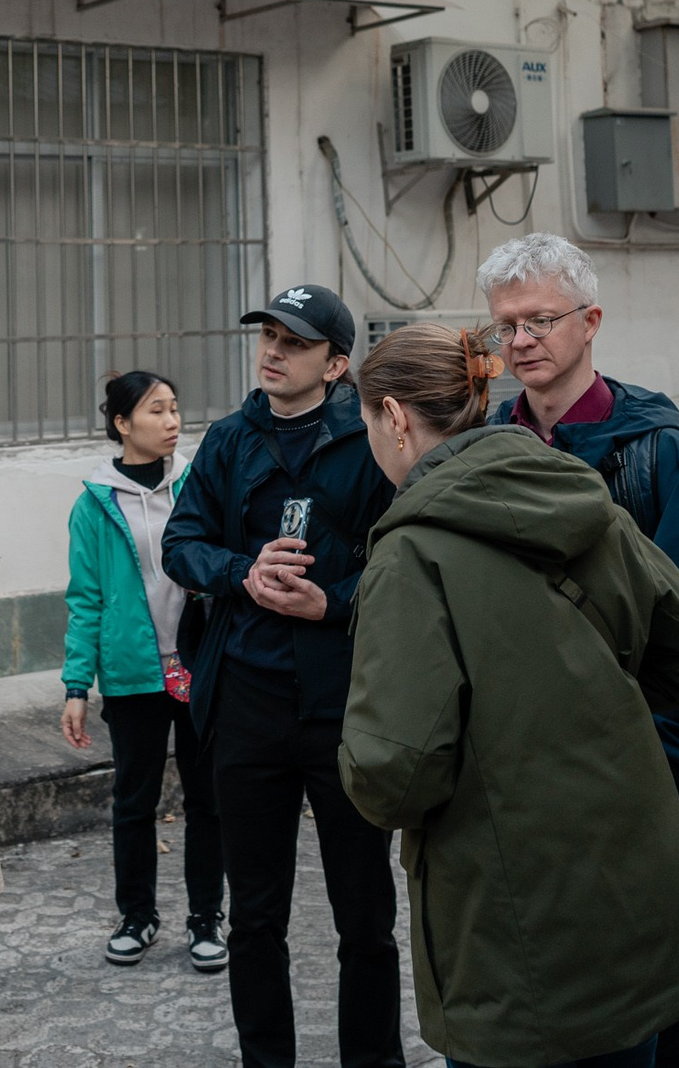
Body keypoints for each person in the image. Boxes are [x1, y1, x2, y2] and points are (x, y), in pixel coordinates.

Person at [339, 323, 679, 1068]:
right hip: (636, 891)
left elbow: (394, 774)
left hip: (515, 932)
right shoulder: (579, 495)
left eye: (366, 423)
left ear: (393, 418)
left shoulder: (410, 553)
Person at [476, 234, 679, 1068]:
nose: (522, 340)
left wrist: (640, 762)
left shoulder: (662, 459)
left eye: (541, 318)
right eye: (506, 325)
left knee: (651, 997)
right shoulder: (483, 457)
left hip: (635, 790)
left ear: (591, 321)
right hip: (522, 790)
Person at [163, 284, 404, 1068]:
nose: (272, 350)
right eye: (267, 334)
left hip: (344, 705)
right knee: (255, 915)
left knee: (364, 915)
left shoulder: (372, 441)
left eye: (294, 341)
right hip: (248, 703)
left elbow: (406, 566)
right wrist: (243, 572)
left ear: (337, 364)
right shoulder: (231, 439)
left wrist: (329, 602)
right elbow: (181, 539)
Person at [60, 370, 228, 972]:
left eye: (175, 408)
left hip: (200, 666)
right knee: (134, 801)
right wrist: (77, 685)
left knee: (208, 798)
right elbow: (84, 600)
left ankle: (207, 917)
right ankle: (137, 916)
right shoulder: (93, 505)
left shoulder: (198, 485)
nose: (172, 420)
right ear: (123, 424)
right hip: (132, 674)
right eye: (156, 411)